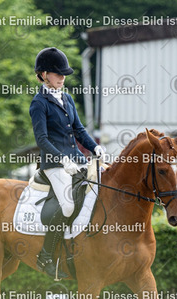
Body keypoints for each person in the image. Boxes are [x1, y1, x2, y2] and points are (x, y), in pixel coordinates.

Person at [29, 47, 105, 278]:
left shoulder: (67, 98)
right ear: (44, 75)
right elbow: (42, 139)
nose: (62, 77)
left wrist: (94, 147)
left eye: (64, 74)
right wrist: (62, 159)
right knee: (68, 206)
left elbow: (79, 130)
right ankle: (46, 256)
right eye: (57, 73)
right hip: (54, 165)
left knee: (101, 188)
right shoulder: (39, 103)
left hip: (78, 160)